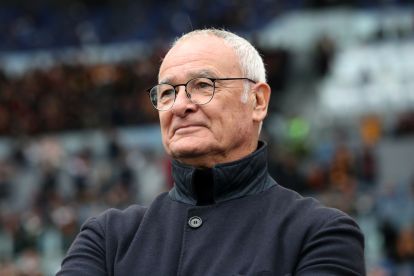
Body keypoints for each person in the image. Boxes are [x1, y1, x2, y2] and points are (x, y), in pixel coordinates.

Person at [58, 29, 365, 275]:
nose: (180, 105)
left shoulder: (320, 235)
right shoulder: (107, 238)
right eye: (167, 93)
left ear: (258, 101)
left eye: (203, 85)